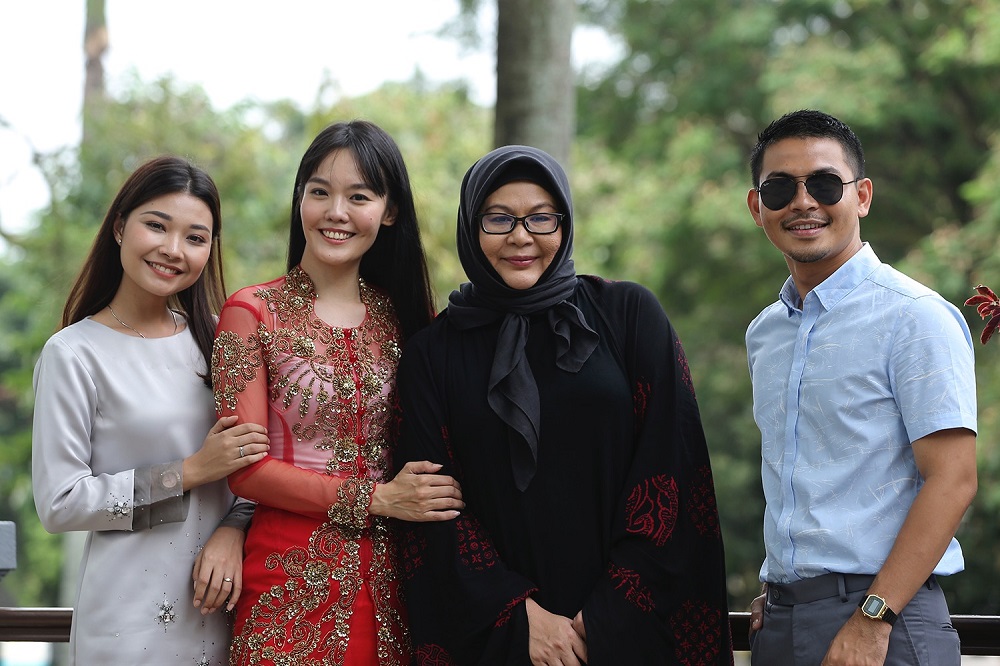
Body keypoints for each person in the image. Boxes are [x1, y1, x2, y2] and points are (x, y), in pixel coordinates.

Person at [394, 144, 732, 665]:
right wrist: (519, 615)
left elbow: (673, 467)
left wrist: (605, 616)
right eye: (498, 218)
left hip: (629, 630)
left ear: (565, 222)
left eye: (541, 218)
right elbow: (432, 501)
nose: (521, 236)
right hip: (498, 638)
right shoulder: (432, 352)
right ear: (470, 226)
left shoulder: (627, 315)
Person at [211, 120, 464, 665]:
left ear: (389, 211)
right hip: (288, 577)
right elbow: (245, 468)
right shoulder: (250, 312)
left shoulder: (407, 320)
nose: (336, 212)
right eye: (319, 192)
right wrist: (377, 499)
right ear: (300, 197)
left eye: (359, 196)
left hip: (396, 578)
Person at [744, 109, 978, 665]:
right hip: (780, 623)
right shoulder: (765, 333)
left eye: (824, 183)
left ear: (862, 196)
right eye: (780, 188)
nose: (802, 202)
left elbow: (953, 479)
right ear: (757, 207)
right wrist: (783, 589)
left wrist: (873, 619)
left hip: (884, 624)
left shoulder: (914, 317)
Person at [32, 155, 271, 665]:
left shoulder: (222, 338)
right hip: (127, 622)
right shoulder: (74, 354)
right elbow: (60, 502)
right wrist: (186, 474)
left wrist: (232, 529)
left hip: (227, 611)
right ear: (120, 227)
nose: (172, 249)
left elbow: (260, 463)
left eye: (195, 237)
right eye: (156, 226)